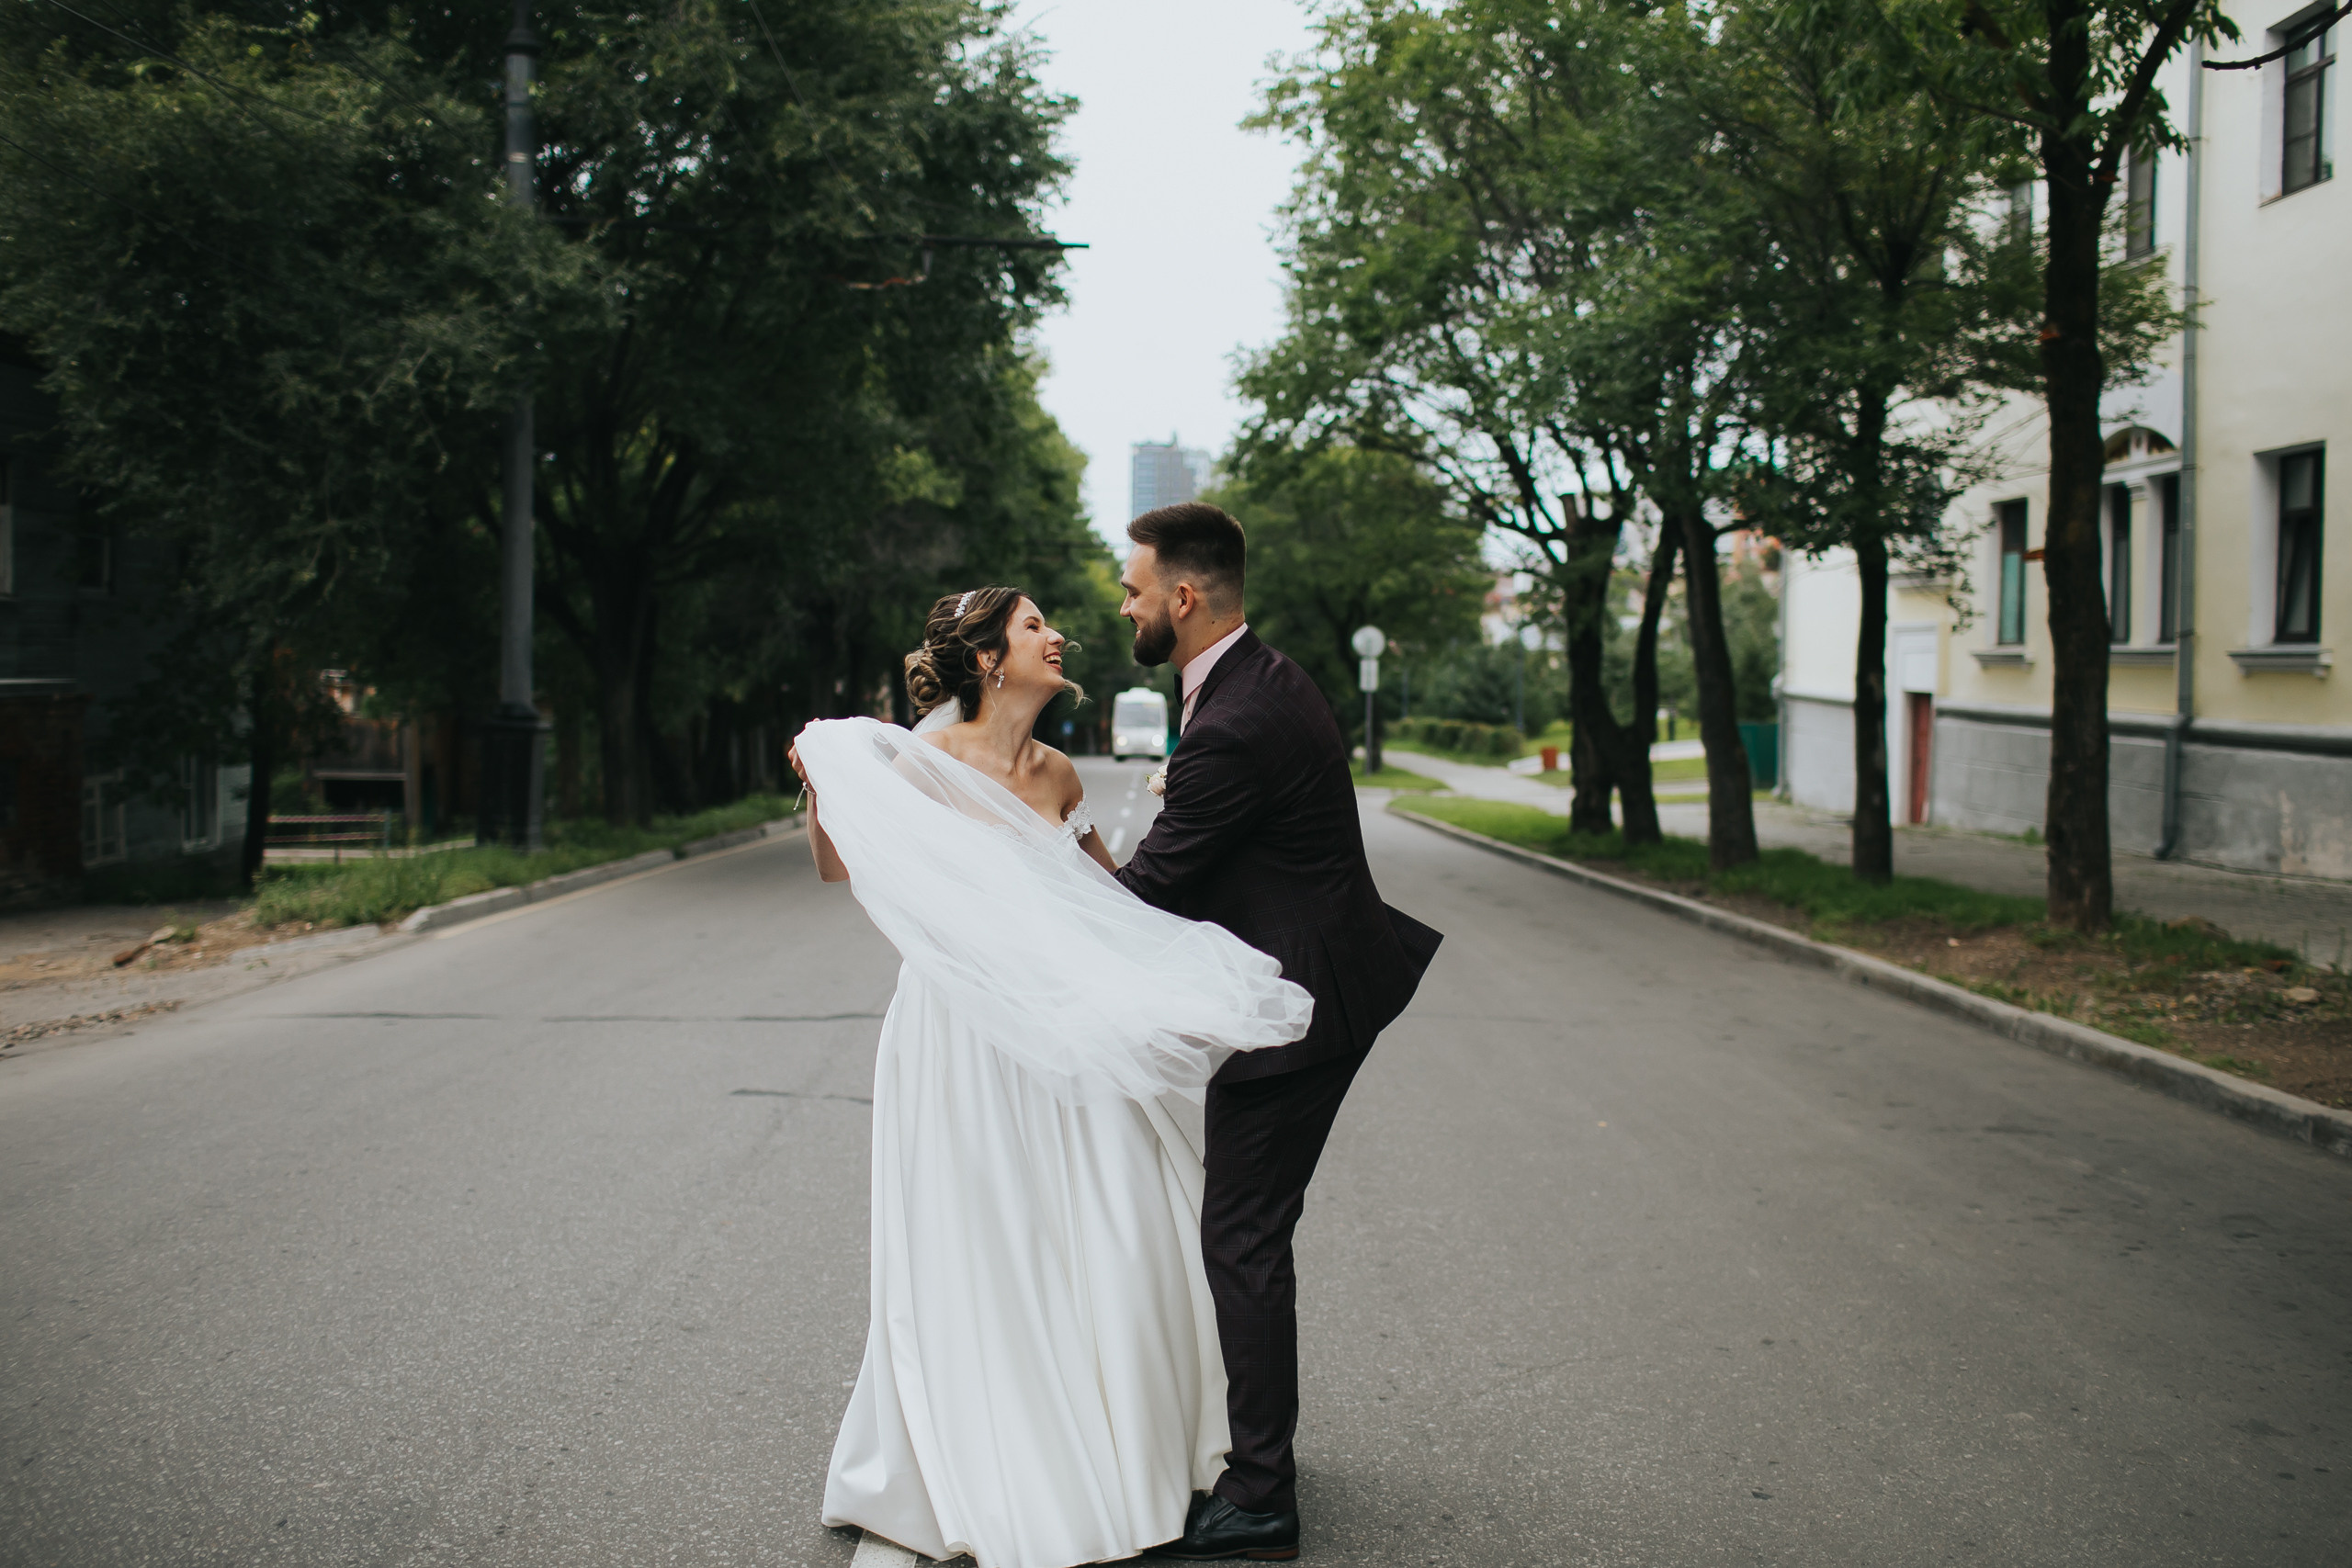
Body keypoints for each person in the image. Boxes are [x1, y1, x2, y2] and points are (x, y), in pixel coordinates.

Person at [790, 587, 1316, 1568]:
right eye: (1033, 625)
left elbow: (1114, 903)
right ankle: (990, 1442)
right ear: (989, 658)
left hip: (1060, 1028)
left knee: (1121, 1214)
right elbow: (840, 868)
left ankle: (1129, 1435)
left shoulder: (1060, 775)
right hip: (958, 1032)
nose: (1056, 633)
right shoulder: (922, 764)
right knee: (984, 1235)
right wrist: (824, 787)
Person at [1114, 502, 1442, 1562]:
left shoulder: (1236, 719)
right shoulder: (1252, 682)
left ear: (1182, 596)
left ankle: (1261, 1495)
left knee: (1241, 1235)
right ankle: (1260, 1457)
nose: (1122, 605)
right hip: (1313, 979)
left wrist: (1048, 861)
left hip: (1304, 1006)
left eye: (1132, 589)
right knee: (1246, 1229)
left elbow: (1151, 893)